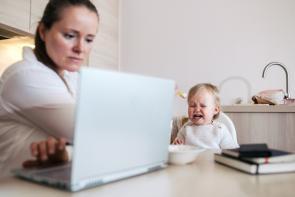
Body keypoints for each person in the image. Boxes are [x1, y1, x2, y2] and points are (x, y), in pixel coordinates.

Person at [0, 0, 99, 178]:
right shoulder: (25, 76)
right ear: (43, 31)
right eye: (69, 35)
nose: (81, 48)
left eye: (89, 39)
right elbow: (95, 134)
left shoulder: (73, 77)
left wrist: (68, 153)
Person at [173, 83, 238, 150]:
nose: (197, 109)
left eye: (203, 106)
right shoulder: (185, 128)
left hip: (212, 160)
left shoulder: (220, 129)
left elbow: (231, 151)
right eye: (192, 105)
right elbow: (176, 149)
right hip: (190, 160)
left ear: (215, 110)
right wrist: (177, 145)